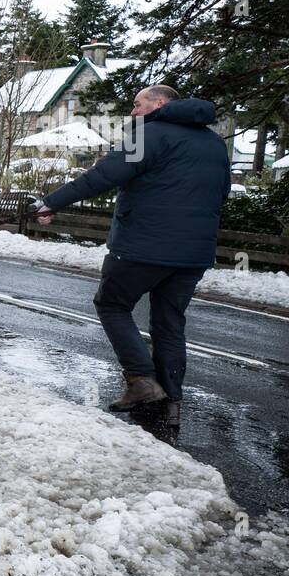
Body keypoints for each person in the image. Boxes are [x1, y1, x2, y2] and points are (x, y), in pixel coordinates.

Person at [34, 86, 230, 418]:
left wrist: (51, 201)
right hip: (192, 254)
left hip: (142, 245)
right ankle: (171, 399)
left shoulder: (150, 134)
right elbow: (221, 192)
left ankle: (141, 379)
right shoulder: (214, 143)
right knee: (169, 323)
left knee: (111, 304)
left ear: (161, 103)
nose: (134, 112)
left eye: (138, 105)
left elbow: (104, 175)